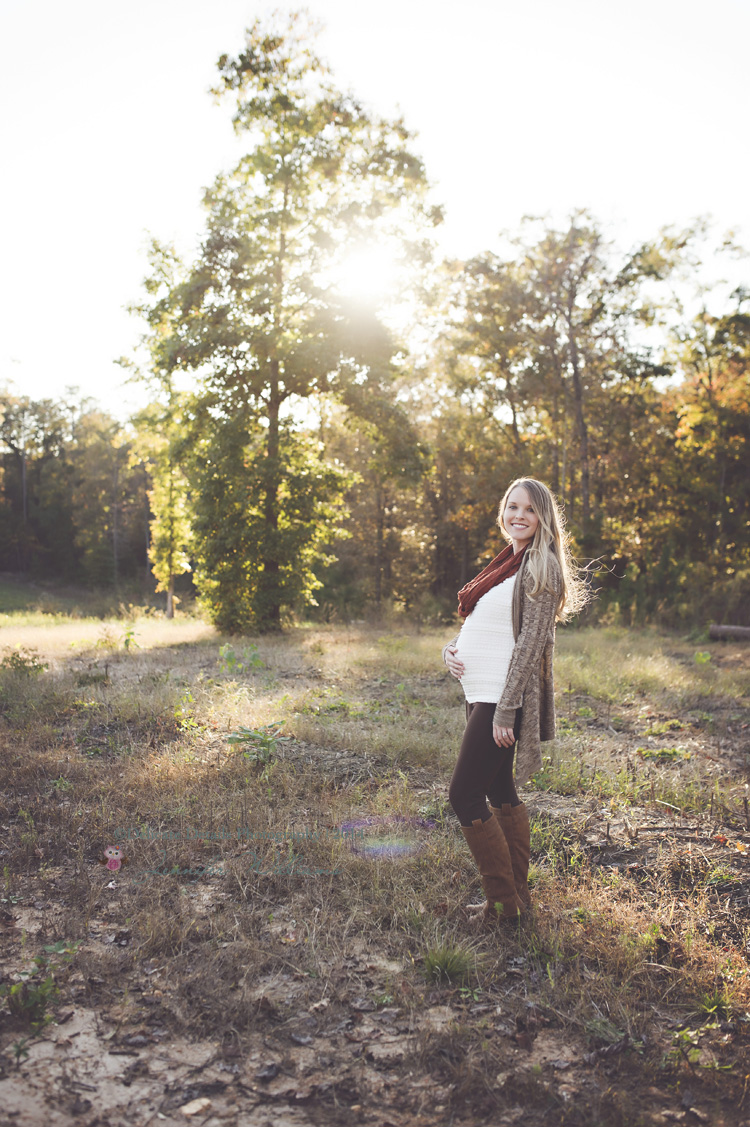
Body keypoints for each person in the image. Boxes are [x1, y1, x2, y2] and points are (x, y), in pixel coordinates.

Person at [442, 477, 589, 924]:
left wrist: (507, 708)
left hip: (500, 696)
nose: (518, 515)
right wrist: (453, 647)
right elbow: (489, 623)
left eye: (528, 509)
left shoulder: (542, 564)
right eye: (512, 507)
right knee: (498, 790)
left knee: (463, 796)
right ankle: (516, 901)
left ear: (543, 516)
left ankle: (502, 904)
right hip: (481, 688)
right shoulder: (508, 562)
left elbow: (529, 644)